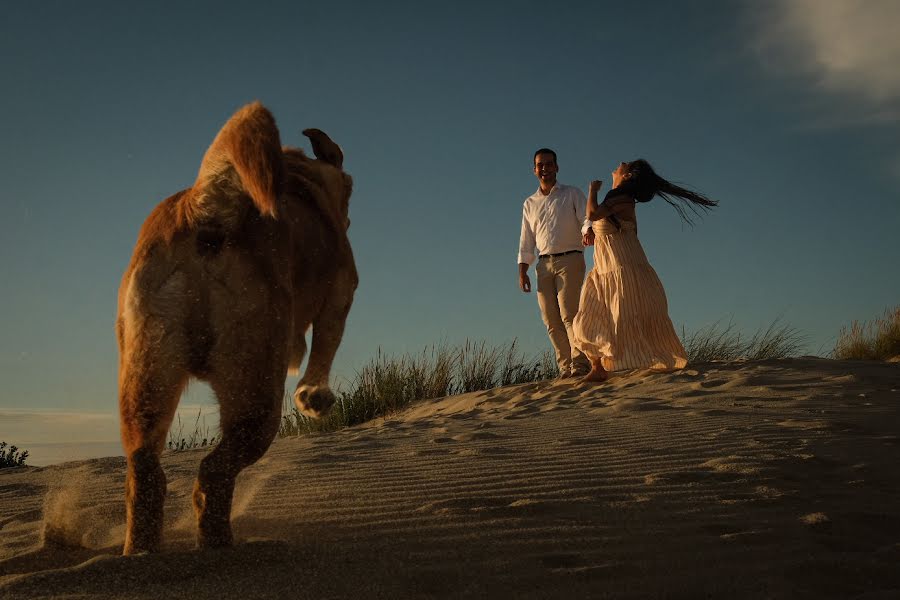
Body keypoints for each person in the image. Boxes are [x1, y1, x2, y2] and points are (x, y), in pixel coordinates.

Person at [573, 159, 717, 383]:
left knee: (617, 318)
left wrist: (592, 190)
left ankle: (604, 366)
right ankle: (598, 366)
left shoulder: (618, 197)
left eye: (625, 164)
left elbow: (592, 214)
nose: (620, 163)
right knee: (590, 316)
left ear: (628, 175)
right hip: (608, 266)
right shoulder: (620, 198)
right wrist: (595, 232)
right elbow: (621, 229)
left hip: (620, 267)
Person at [518, 148, 593, 378]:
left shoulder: (572, 193)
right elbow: (526, 239)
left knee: (569, 314)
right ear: (534, 170)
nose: (545, 169)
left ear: (557, 167)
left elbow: (585, 217)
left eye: (549, 164)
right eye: (540, 165)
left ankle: (580, 365)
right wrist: (522, 271)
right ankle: (565, 366)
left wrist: (588, 230)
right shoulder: (530, 203)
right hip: (543, 264)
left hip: (570, 258)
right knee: (550, 319)